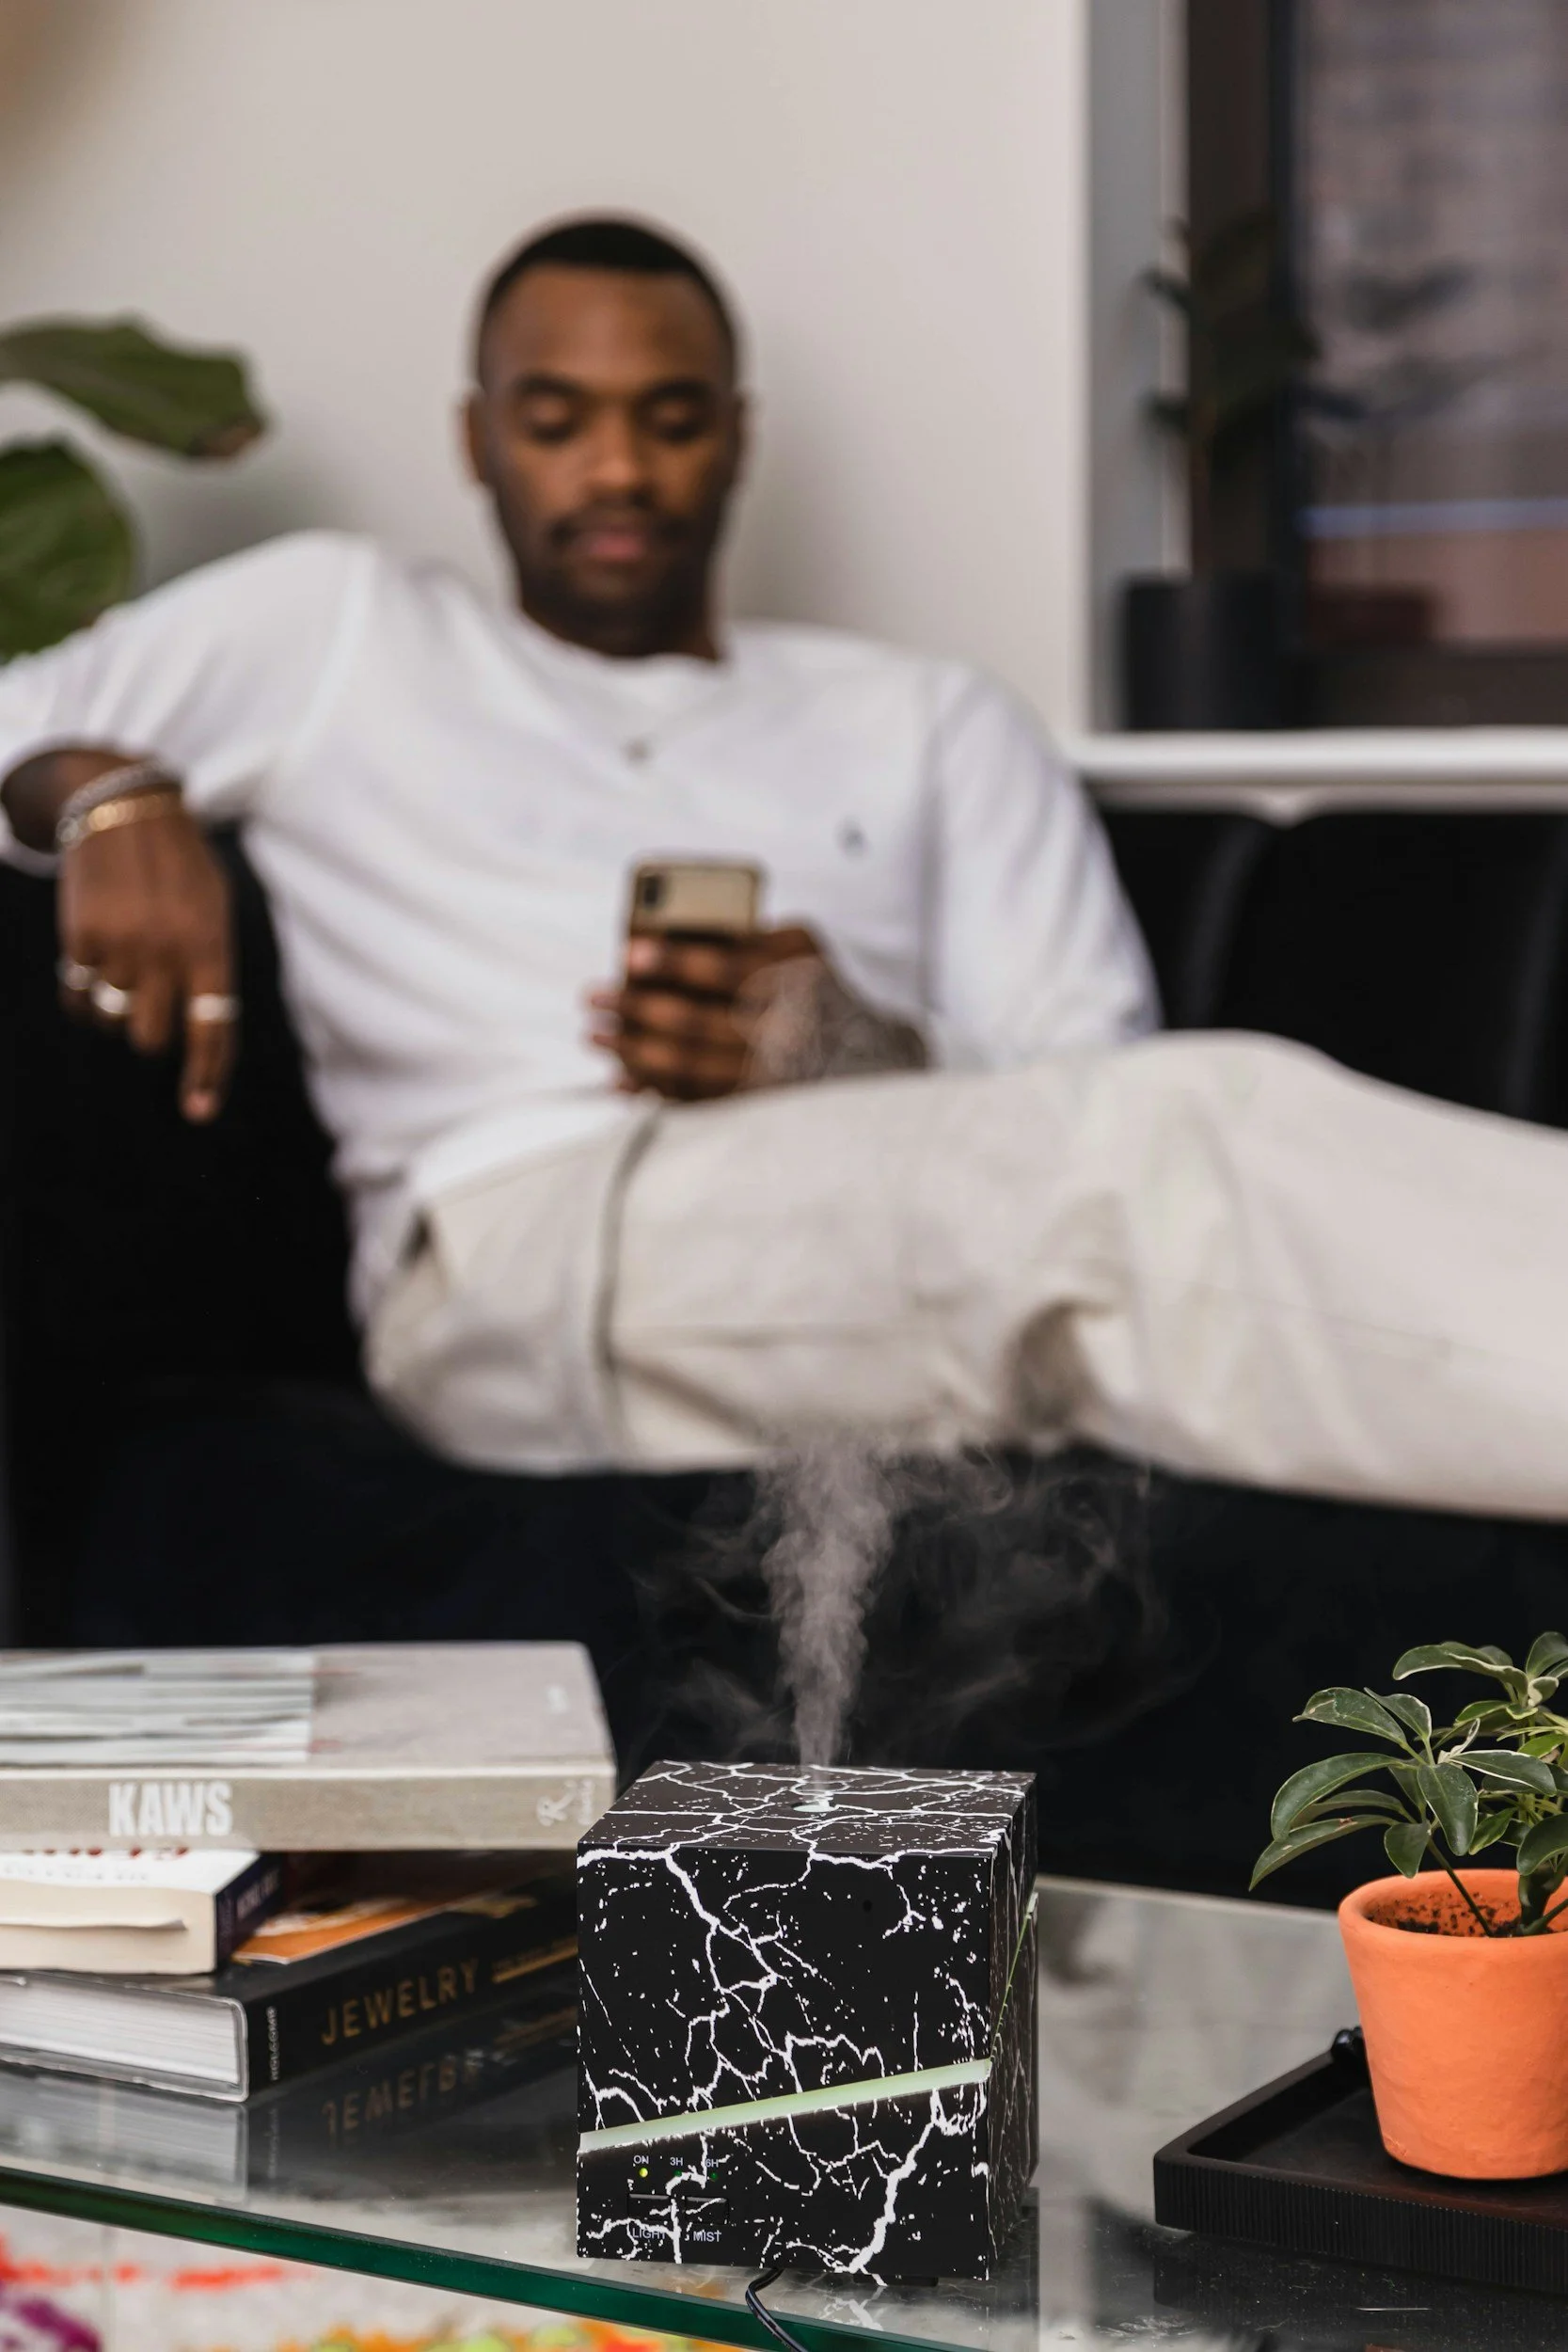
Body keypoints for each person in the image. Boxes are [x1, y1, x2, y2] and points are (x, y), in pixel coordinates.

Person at [5, 215, 1568, 1524]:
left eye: (668, 417)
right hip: (510, 1250)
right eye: (555, 419)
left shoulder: (926, 718)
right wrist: (106, 789)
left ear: (736, 434)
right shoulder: (343, 629)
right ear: (475, 440)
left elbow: (1080, 1089)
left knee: (1190, 1124)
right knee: (1183, 1141)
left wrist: (845, 1048)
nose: (615, 469)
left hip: (860, 1211)